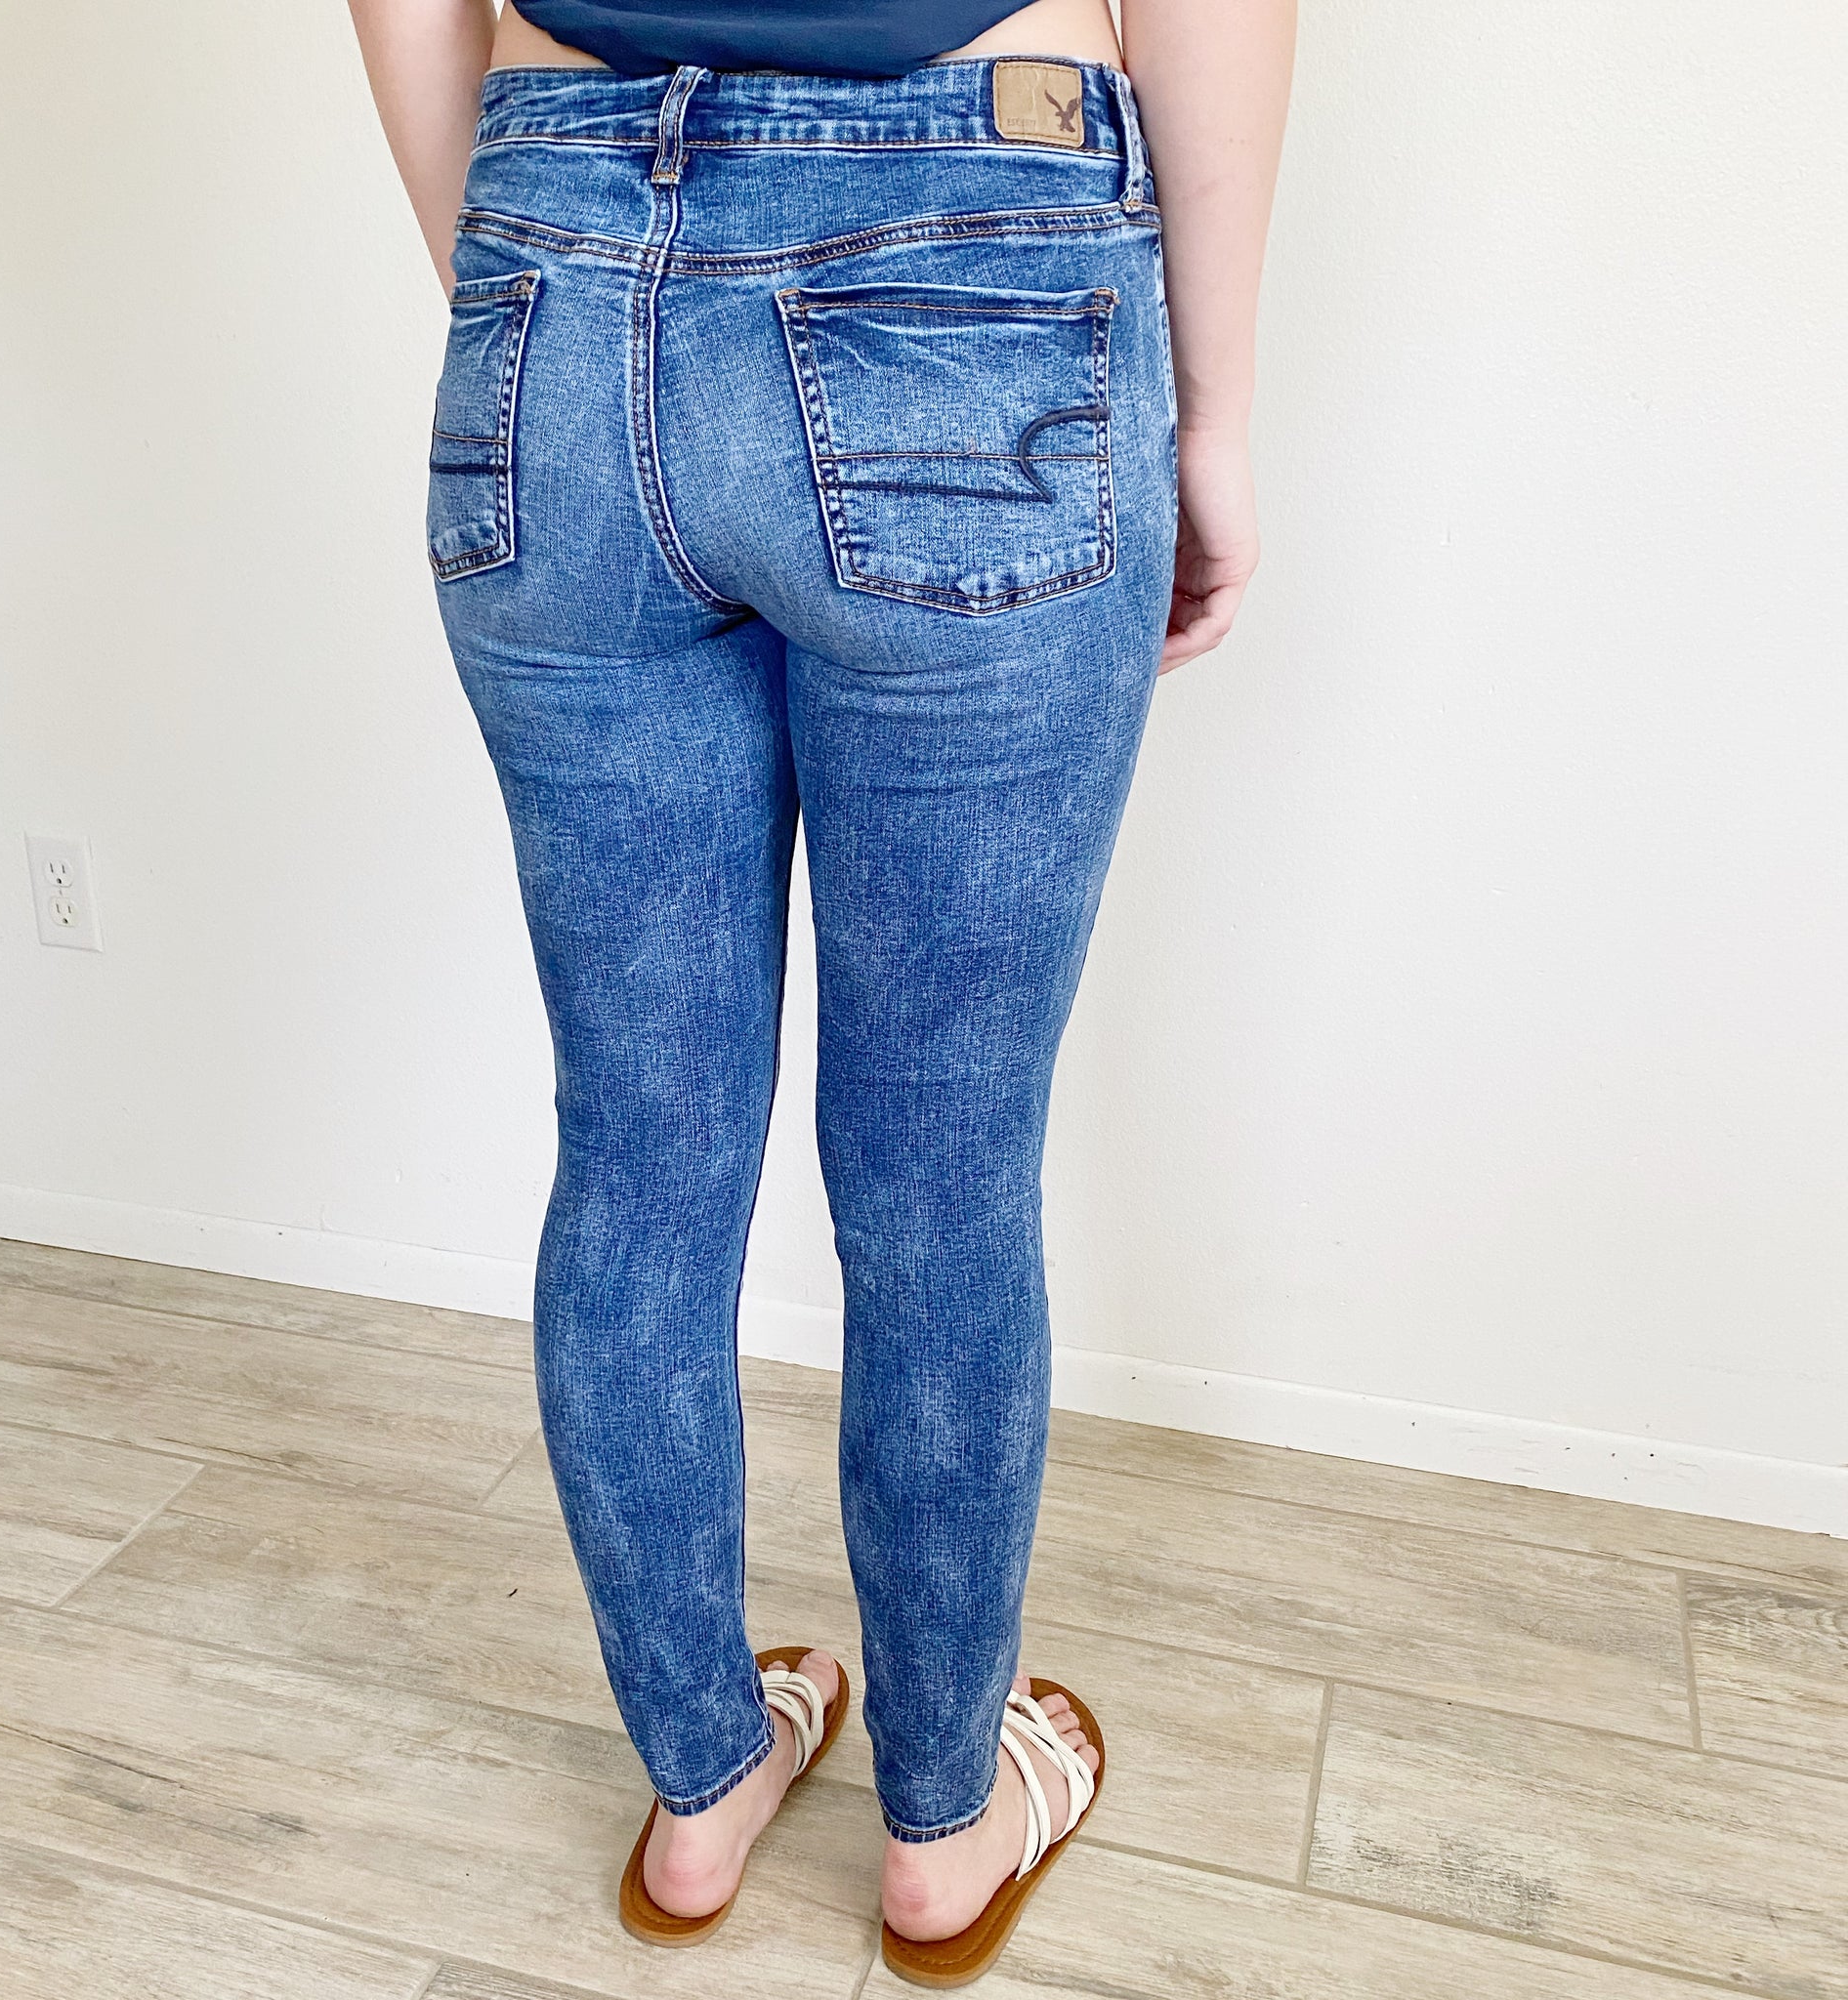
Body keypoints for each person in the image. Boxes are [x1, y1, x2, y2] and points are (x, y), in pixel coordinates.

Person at [348, 0, 1292, 1980]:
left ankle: (701, 1786)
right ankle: (943, 1824)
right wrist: (1207, 415)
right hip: (970, 243)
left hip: (556, 254)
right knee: (941, 1170)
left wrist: (531, 284)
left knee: (637, 1152)